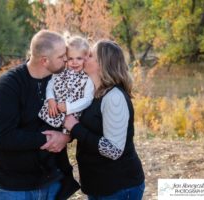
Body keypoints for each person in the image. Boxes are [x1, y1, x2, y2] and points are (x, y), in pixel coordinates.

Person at [0, 30, 79, 200]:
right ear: (45, 60)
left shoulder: (59, 82)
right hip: (16, 188)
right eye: (61, 57)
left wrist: (66, 137)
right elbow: (3, 137)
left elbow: (73, 118)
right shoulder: (6, 87)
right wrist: (48, 140)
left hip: (52, 183)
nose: (66, 60)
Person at [62, 40, 146, 199]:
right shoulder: (92, 93)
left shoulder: (114, 97)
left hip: (118, 187)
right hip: (98, 185)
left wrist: (75, 128)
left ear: (103, 63)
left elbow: (113, 150)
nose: (84, 58)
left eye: (90, 55)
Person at [38, 36, 94, 132]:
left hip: (70, 116)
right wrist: (50, 99)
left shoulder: (87, 78)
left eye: (79, 58)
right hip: (52, 112)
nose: (74, 62)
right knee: (44, 133)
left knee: (60, 139)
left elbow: (88, 99)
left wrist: (68, 107)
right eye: (70, 58)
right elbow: (50, 84)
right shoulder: (62, 71)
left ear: (85, 58)